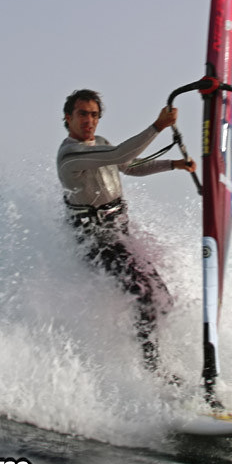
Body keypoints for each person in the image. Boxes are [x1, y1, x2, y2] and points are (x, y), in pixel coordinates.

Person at [56, 89, 196, 375]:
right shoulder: (70, 155)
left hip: (120, 235)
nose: (89, 120)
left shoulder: (101, 144)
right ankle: (153, 371)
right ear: (68, 118)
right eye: (82, 114)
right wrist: (158, 126)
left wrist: (173, 164)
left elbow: (129, 166)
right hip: (95, 243)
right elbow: (121, 153)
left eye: (94, 115)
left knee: (163, 300)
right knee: (145, 297)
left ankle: (156, 356)